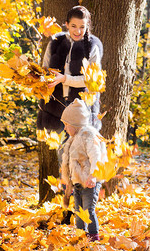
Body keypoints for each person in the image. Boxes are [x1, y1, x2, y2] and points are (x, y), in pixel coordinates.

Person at [37, 5, 103, 133]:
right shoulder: (55, 42)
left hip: (80, 107)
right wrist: (39, 79)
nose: (78, 31)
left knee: (78, 149)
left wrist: (64, 79)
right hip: (55, 107)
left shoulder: (91, 47)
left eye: (82, 27)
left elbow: (92, 81)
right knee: (61, 150)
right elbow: (44, 69)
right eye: (74, 26)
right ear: (67, 24)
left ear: (87, 26)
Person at [60, 99, 107, 242]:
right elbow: (68, 162)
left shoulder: (88, 135)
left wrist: (93, 175)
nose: (65, 128)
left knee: (88, 210)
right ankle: (80, 236)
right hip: (78, 182)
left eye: (66, 125)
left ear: (75, 124)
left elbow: (96, 156)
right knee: (78, 211)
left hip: (90, 181)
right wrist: (68, 181)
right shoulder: (73, 139)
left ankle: (94, 237)